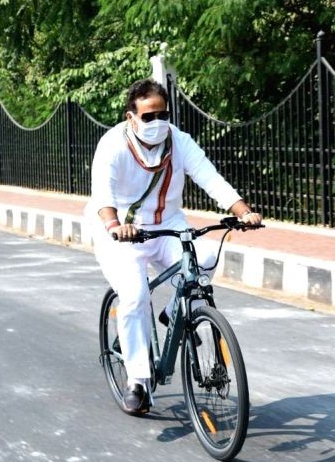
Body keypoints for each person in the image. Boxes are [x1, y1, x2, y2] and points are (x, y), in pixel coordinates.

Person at [84, 78, 262, 414]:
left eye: (162, 114)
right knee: (135, 295)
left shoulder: (179, 141)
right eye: (148, 116)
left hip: (168, 226)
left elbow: (210, 178)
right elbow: (102, 193)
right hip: (122, 232)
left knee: (205, 257)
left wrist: (243, 212)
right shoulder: (112, 145)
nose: (157, 122)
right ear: (131, 117)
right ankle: (137, 381)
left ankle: (172, 311)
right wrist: (114, 226)